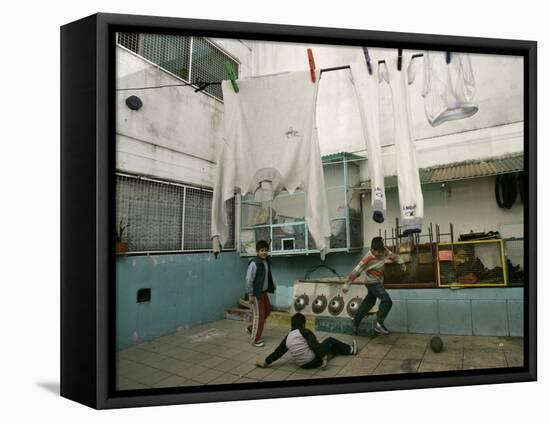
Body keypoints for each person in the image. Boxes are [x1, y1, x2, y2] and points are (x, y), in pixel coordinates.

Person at [343, 236, 405, 335]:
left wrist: (401, 263)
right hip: (371, 282)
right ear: (372, 249)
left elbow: (394, 256)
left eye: (380, 251)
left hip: (378, 282)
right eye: (376, 252)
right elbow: (356, 271)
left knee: (369, 302)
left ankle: (356, 319)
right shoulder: (367, 258)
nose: (379, 254)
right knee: (386, 300)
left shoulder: (384, 251)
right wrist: (347, 284)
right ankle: (379, 324)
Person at [256, 313, 357, 369]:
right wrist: (324, 359)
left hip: (302, 366)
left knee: (327, 346)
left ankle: (337, 351)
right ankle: (350, 350)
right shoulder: (305, 332)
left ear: (292, 325)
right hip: (314, 362)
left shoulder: (288, 337)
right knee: (329, 340)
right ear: (303, 324)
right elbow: (315, 346)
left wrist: (266, 362)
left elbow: (278, 352)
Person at [246, 240, 276, 347]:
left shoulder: (265, 261)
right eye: (262, 250)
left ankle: (251, 328)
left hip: (263, 293)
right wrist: (250, 294)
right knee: (260, 316)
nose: (264, 252)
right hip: (256, 294)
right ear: (257, 251)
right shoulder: (254, 263)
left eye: (266, 250)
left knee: (268, 310)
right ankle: (254, 340)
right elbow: (249, 280)